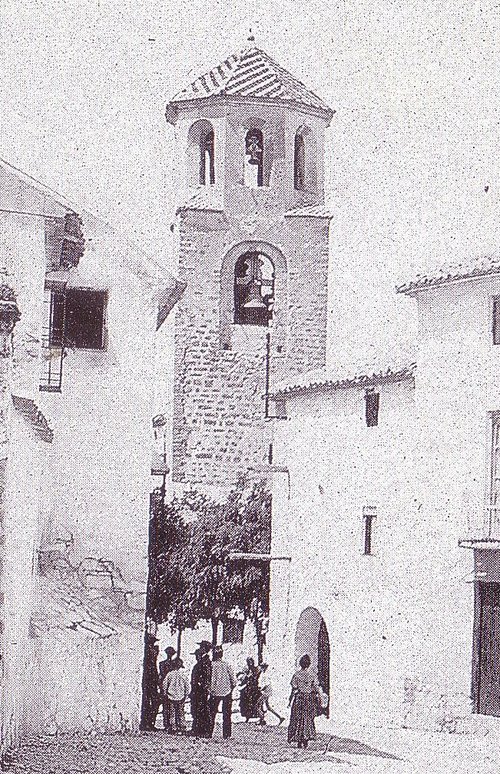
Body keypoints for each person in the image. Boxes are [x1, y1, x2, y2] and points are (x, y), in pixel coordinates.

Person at [287, 654, 319, 749]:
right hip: (309, 699)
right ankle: (306, 738)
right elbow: (316, 688)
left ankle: (299, 739)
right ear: (309, 664)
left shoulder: (296, 675)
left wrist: (289, 700)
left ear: (300, 663)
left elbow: (294, 689)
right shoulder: (312, 675)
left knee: (298, 719)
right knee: (307, 719)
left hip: (299, 698)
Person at [209, 646, 236, 739]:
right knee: (227, 714)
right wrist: (231, 687)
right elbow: (233, 680)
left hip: (214, 691)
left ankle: (209, 732)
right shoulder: (227, 665)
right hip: (226, 691)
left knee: (212, 713)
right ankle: (226, 734)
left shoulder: (211, 665)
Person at [190, 640, 212, 737]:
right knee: (198, 709)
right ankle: (198, 728)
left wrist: (201, 686)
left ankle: (201, 730)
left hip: (200, 690)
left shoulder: (205, 662)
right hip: (199, 689)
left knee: (200, 709)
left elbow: (206, 677)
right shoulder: (204, 662)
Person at [162, 658, 190, 734]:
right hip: (181, 697)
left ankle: (173, 727)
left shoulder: (169, 674)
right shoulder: (183, 675)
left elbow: (164, 685)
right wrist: (186, 695)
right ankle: (182, 727)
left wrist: (165, 694)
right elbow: (187, 686)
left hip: (171, 697)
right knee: (181, 712)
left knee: (172, 712)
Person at [140, 633, 161, 731]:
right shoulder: (151, 651)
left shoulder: (148, 651)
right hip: (150, 679)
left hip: (149, 679)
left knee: (149, 701)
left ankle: (148, 722)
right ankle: (149, 722)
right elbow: (153, 667)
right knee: (152, 702)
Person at [158, 646, 177, 730]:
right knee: (168, 705)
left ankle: (168, 723)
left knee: (167, 706)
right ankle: (168, 723)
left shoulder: (162, 664)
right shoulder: (170, 664)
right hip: (169, 685)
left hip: (167, 685)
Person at [238, 657, 261, 722]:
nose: (250, 663)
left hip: (253, 688)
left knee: (252, 702)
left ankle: (255, 715)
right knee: (246, 702)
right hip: (248, 688)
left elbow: (256, 677)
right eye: (248, 662)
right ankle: (247, 716)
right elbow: (243, 678)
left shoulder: (256, 669)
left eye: (251, 662)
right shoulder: (246, 669)